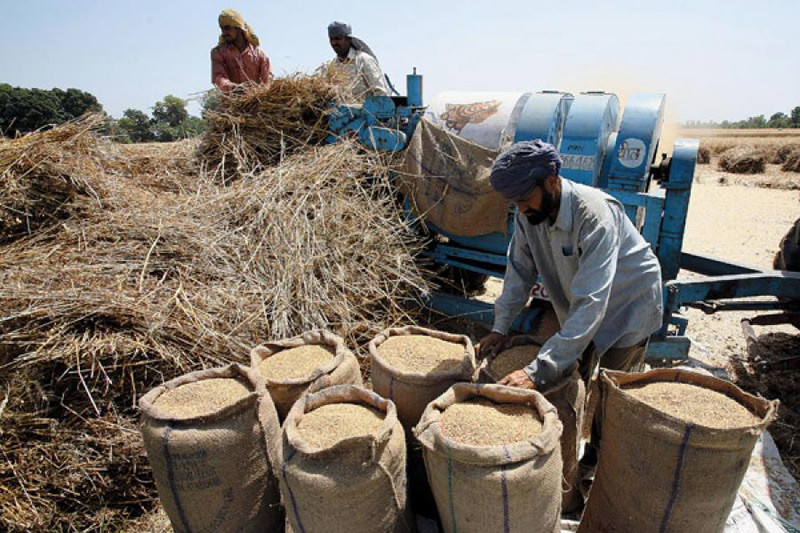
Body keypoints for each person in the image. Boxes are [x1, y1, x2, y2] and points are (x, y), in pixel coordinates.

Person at [477, 139, 663, 510]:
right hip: (583, 303)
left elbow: (593, 302)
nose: (520, 208)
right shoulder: (529, 214)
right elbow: (517, 274)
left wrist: (537, 370)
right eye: (514, 202)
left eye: (524, 198)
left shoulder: (594, 214)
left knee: (611, 395)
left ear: (551, 180)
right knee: (572, 373)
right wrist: (500, 327)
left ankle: (597, 468)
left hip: (627, 305)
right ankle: (567, 472)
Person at [324, 21, 388, 102]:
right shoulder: (332, 66)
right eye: (331, 39)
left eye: (337, 39)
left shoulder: (363, 60)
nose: (333, 43)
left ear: (348, 39)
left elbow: (380, 92)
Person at [211, 9, 272, 93]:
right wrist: (235, 88)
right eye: (222, 29)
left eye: (227, 28)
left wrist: (259, 91)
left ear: (239, 28)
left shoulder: (259, 55)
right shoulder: (218, 53)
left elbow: (267, 81)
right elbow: (218, 77)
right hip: (231, 104)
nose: (224, 33)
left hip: (256, 103)